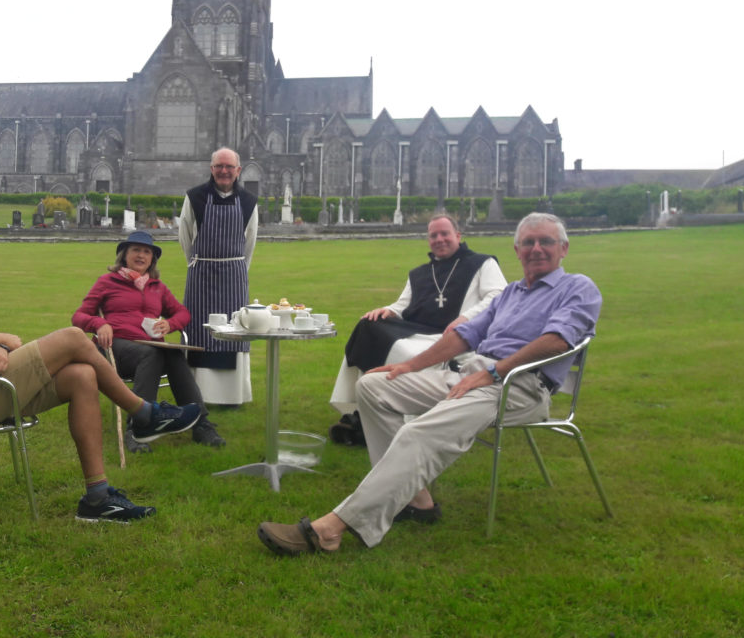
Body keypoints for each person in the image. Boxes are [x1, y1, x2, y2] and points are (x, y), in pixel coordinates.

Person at [257, 212, 602, 554]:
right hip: (472, 374)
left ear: (564, 248)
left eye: (546, 241)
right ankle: (418, 501)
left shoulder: (579, 288)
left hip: (519, 386)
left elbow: (558, 339)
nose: (536, 249)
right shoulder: (510, 293)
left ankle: (330, 529)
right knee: (373, 388)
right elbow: (465, 336)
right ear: (516, 249)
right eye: (528, 242)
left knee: (416, 431)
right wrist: (408, 366)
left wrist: (494, 373)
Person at [0, 209, 202, 523]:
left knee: (82, 374)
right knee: (75, 338)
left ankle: (98, 498)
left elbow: (2, 343)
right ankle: (144, 414)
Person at [328, 214, 507, 442]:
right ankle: (364, 409)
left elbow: (498, 295)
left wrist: (466, 317)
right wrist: (387, 310)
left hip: (456, 338)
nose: (439, 239)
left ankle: (391, 416)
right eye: (434, 235)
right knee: (368, 327)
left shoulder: (482, 263)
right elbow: (403, 304)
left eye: (445, 234)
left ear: (458, 236)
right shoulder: (421, 273)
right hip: (418, 329)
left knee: (405, 353)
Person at [72, 230, 225, 452]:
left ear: (152, 259)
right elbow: (79, 316)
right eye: (136, 250)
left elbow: (182, 313)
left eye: (147, 252)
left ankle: (201, 424)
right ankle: (137, 428)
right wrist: (99, 324)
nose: (141, 255)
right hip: (115, 348)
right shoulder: (107, 282)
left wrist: (170, 324)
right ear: (124, 255)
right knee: (152, 353)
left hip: (151, 348)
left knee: (172, 352)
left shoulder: (157, 287)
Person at [179, 147, 259, 405]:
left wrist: (236, 270)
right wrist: (198, 264)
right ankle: (197, 394)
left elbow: (249, 243)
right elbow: (185, 238)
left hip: (234, 277)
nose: (224, 171)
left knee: (233, 332)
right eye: (219, 166)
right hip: (201, 275)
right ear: (211, 169)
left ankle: (231, 395)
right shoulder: (194, 198)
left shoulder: (249, 201)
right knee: (201, 332)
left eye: (229, 167)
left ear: (238, 170)